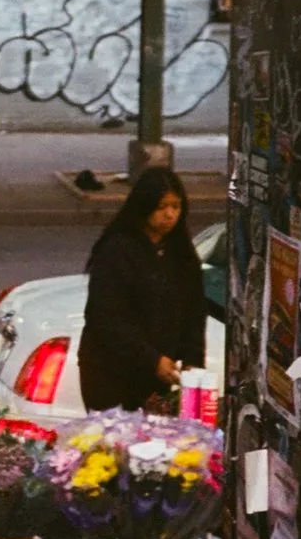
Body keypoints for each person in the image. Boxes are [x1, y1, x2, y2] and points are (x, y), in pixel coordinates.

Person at [78, 165, 206, 411]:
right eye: (161, 207)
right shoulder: (117, 250)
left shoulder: (182, 254)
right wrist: (152, 359)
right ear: (145, 206)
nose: (169, 215)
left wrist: (192, 361)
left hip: (155, 376)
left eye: (175, 206)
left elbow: (194, 311)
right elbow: (105, 317)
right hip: (110, 372)